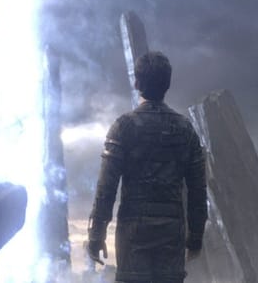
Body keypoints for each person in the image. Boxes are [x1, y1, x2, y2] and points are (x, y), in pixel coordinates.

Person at [86, 51, 208, 283]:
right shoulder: (186, 131)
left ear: (137, 83)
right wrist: (195, 238)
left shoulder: (123, 127)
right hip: (172, 233)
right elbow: (197, 191)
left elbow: (106, 188)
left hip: (133, 234)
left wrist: (96, 235)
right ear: (167, 84)